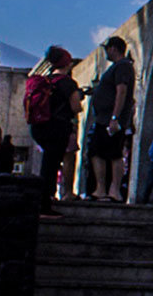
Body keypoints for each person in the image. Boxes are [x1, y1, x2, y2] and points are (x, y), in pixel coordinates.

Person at [30, 46, 81, 218]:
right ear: (67, 63)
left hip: (39, 128)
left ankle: (43, 202)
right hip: (57, 128)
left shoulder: (47, 81)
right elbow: (76, 107)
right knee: (51, 167)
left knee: (48, 164)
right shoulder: (67, 83)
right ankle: (44, 205)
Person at [88, 36, 134, 202]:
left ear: (114, 48)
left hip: (111, 119)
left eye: (107, 48)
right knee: (96, 151)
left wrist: (115, 118)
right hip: (103, 119)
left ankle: (114, 190)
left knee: (114, 153)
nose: (106, 51)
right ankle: (100, 188)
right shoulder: (116, 67)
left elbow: (121, 91)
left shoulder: (123, 66)